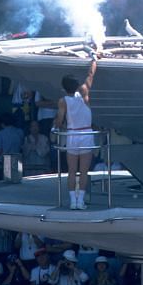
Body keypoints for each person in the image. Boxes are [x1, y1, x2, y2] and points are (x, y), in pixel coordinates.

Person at [53, 55, 98, 210]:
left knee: (72, 171)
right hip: (86, 134)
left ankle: (73, 202)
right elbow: (90, 75)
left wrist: (57, 125)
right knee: (83, 171)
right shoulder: (84, 92)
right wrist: (94, 60)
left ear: (64, 88)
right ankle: (81, 201)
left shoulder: (63, 101)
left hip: (72, 135)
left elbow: (59, 121)